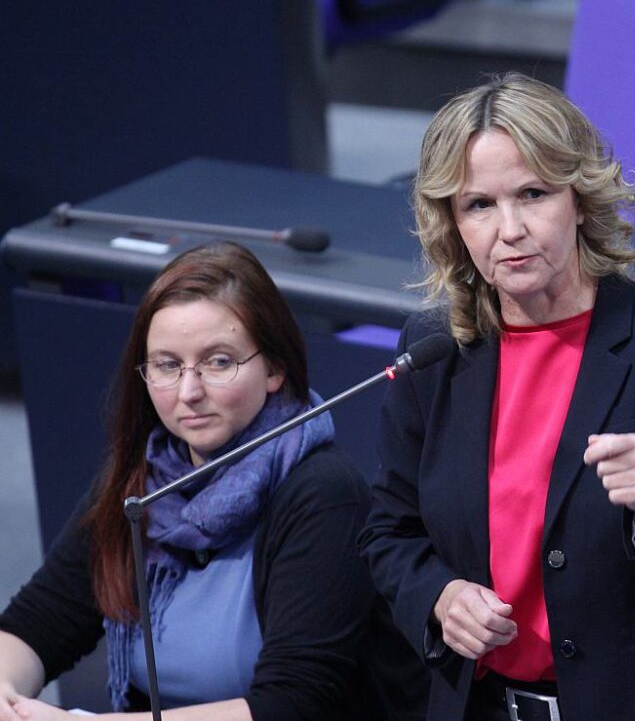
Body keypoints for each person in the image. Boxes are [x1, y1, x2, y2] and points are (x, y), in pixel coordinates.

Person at [358, 73, 635, 721]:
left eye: (533, 194)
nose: (510, 229)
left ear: (581, 198)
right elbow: (389, 532)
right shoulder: (435, 349)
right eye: (479, 204)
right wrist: (438, 594)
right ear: (451, 221)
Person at [0, 241, 426, 721]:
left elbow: (290, 706)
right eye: (166, 365)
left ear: (275, 368)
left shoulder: (324, 494)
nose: (189, 391)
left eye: (218, 362)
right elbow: (37, 623)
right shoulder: (145, 479)